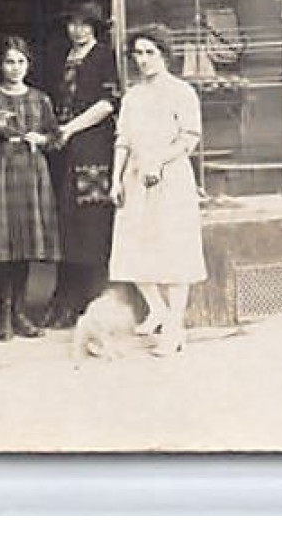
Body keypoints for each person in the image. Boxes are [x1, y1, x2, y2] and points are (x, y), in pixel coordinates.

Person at [109, 23, 208, 355]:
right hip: (136, 178)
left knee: (173, 252)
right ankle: (159, 310)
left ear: (164, 55)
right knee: (132, 249)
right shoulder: (133, 96)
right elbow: (122, 140)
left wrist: (159, 162)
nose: (143, 60)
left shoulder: (181, 92)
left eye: (150, 52)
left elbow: (189, 137)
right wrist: (114, 179)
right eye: (138, 53)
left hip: (171, 179)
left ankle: (175, 328)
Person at [44, 0, 121, 330]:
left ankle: (87, 301)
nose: (77, 30)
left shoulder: (103, 56)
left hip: (93, 145)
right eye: (73, 24)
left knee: (91, 220)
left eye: (84, 24)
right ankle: (64, 299)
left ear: (94, 28)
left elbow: (107, 103)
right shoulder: (62, 57)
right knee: (67, 220)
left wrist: (71, 128)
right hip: (65, 146)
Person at [0, 37, 61, 341]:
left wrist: (41, 139)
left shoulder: (40, 99)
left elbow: (54, 136)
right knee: (5, 245)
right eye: (9, 62)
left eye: (20, 62)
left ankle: (20, 312)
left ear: (28, 65)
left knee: (27, 243)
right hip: (4, 171)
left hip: (32, 173)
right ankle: (2, 314)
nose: (14, 68)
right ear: (0, 65)